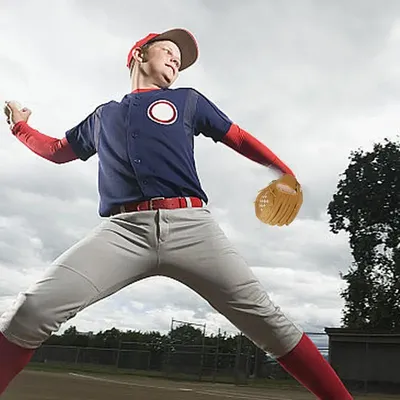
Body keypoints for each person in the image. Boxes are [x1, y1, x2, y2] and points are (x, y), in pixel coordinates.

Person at [0, 28, 353, 399]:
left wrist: (284, 170)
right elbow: (57, 150)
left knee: (270, 324)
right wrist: (20, 126)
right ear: (138, 55)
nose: (175, 60)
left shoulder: (187, 101)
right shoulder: (104, 116)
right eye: (168, 51)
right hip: (123, 232)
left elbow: (239, 137)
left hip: (192, 228)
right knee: (30, 311)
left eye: (179, 61)